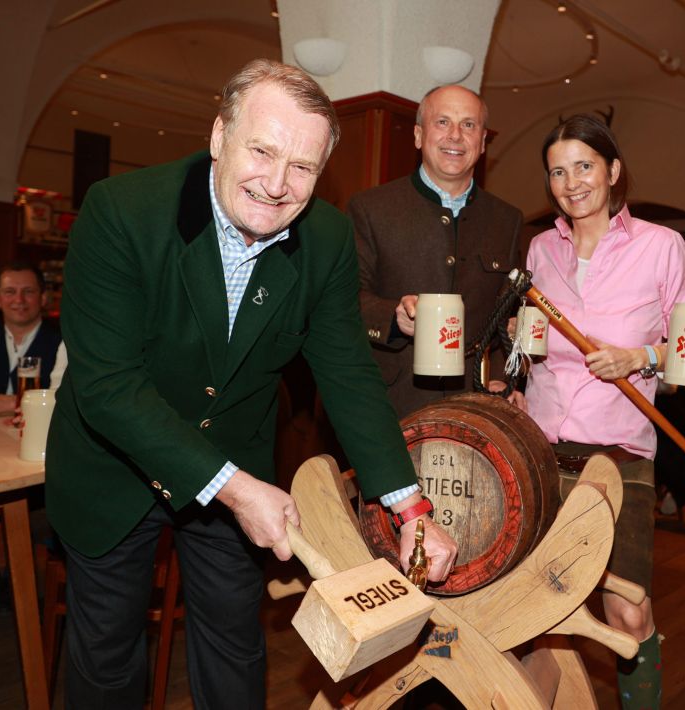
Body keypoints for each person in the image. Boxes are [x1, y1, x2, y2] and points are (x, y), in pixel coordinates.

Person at [44, 59, 456, 709]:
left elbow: (348, 372)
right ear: (218, 137)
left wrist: (409, 505)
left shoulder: (326, 238)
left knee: (237, 645)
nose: (276, 184)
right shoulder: (122, 213)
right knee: (107, 655)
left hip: (237, 456)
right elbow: (108, 388)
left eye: (303, 167)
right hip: (112, 468)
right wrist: (235, 490)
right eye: (262, 151)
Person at [520, 114, 685, 709]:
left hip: (620, 455)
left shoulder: (661, 245)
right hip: (540, 451)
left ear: (613, 171)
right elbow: (531, 344)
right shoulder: (540, 249)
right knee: (533, 609)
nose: (571, 183)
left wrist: (640, 356)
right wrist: (515, 372)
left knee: (626, 608)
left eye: (585, 167)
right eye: (558, 171)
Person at [349, 84, 521, 418]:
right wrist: (393, 317)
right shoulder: (371, 208)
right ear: (418, 135)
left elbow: (507, 317)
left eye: (468, 125)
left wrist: (503, 379)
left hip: (475, 410)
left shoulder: (507, 219)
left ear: (483, 141)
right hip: (391, 406)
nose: (455, 136)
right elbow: (345, 299)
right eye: (442, 122)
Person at [0, 261, 66, 414]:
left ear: (43, 297)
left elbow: (65, 402)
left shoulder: (63, 343)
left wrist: (9, 402)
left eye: (28, 291)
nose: (19, 300)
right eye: (10, 291)